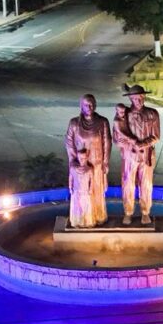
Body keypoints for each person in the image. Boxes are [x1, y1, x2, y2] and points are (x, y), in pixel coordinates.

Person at [64, 94, 111, 228]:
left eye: (91, 104)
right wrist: (74, 161)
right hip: (80, 165)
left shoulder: (103, 122)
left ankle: (98, 217)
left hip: (97, 164)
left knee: (95, 190)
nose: (89, 107)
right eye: (85, 104)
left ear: (95, 105)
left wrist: (106, 162)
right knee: (81, 193)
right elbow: (69, 142)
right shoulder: (74, 123)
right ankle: (81, 219)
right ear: (81, 106)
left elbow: (107, 143)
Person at [120, 84, 160, 225]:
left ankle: (145, 212)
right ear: (130, 98)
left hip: (146, 155)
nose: (139, 100)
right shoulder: (123, 115)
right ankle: (128, 212)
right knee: (128, 184)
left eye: (141, 97)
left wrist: (142, 144)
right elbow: (117, 137)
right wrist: (129, 144)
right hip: (129, 156)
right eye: (136, 98)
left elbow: (156, 136)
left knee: (146, 184)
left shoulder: (152, 114)